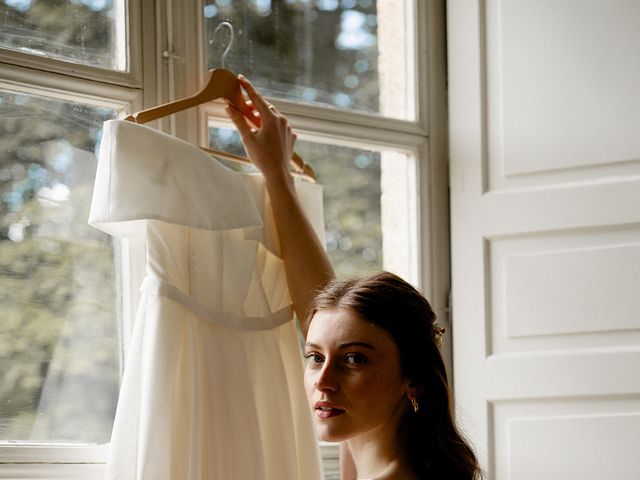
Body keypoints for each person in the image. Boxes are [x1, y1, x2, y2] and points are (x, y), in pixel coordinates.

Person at [226, 75, 482, 480]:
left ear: (412, 378)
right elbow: (321, 309)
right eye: (314, 357)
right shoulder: (375, 450)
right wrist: (277, 177)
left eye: (354, 359)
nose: (323, 382)